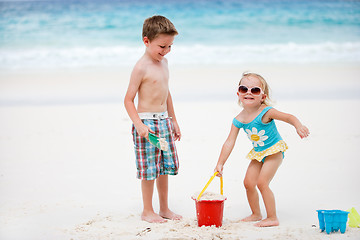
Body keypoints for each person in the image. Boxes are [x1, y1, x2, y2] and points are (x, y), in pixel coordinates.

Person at [214, 72, 309, 227]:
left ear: (262, 97)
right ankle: (256, 213)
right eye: (244, 89)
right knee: (248, 183)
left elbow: (288, 117)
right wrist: (220, 163)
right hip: (259, 153)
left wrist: (298, 126)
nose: (249, 92)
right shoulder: (239, 119)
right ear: (238, 94)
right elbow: (229, 142)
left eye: (255, 90)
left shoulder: (266, 112)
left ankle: (272, 217)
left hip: (274, 151)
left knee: (262, 183)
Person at [124, 15, 182, 223]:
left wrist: (173, 120)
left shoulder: (164, 63)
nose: (166, 51)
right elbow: (128, 100)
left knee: (164, 168)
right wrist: (139, 125)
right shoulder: (141, 67)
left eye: (170, 46)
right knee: (149, 169)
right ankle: (147, 210)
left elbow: (167, 93)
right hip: (146, 124)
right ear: (146, 41)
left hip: (164, 121)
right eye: (162, 46)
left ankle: (164, 208)